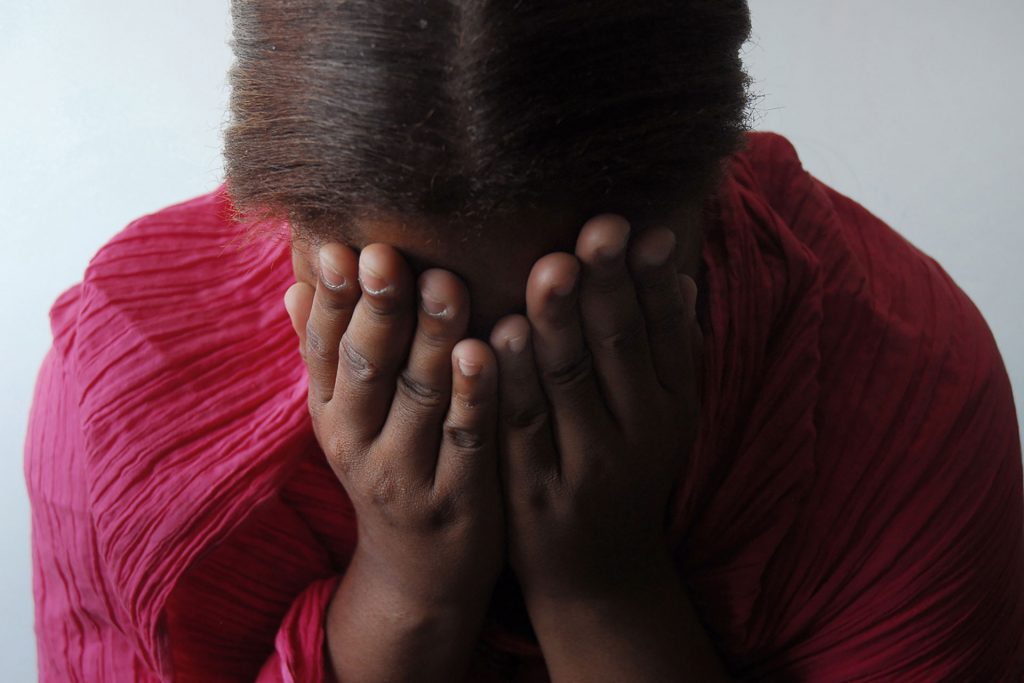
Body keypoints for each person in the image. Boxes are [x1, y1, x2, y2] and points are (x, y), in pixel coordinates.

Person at [25, 1, 1023, 681]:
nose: (489, 384)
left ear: (712, 181)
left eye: (592, 310)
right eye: (411, 315)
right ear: (284, 211)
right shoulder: (129, 397)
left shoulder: (904, 395)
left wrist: (605, 587)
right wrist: (406, 590)